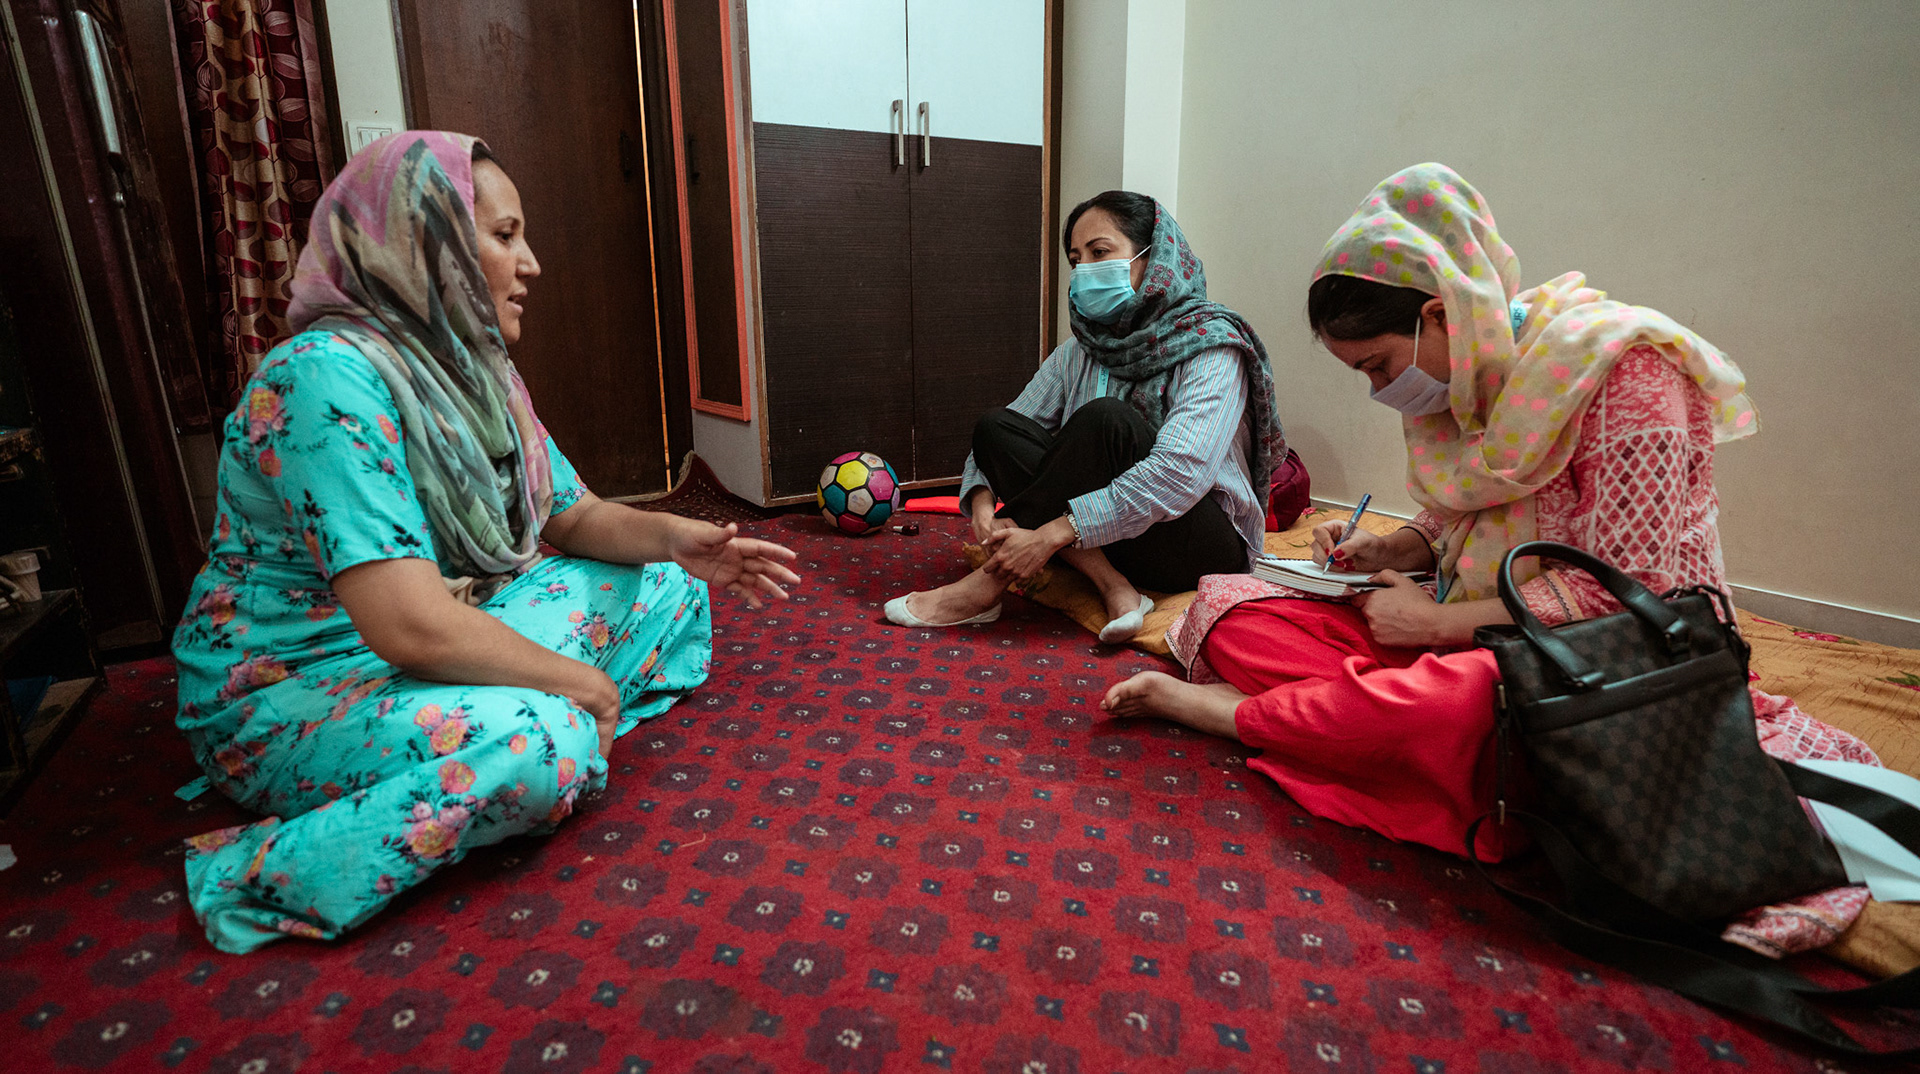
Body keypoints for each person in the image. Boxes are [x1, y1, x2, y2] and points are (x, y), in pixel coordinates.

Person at [1100, 163, 1877, 954]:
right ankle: (1370, 723)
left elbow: (1634, 593)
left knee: (1462, 704)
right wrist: (1396, 547)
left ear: (1441, 315)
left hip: (1603, 665)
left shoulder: (1623, 371)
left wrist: (1436, 626)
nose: (1379, 391)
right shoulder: (1479, 372)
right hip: (1471, 632)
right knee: (1235, 611)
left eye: (1377, 366)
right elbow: (1460, 514)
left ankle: (1237, 714)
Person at [170, 132, 800, 954]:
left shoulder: (476, 369)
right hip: (299, 684)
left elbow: (572, 517)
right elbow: (409, 625)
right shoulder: (323, 377)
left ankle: (510, 726)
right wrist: (584, 686)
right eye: (505, 236)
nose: (530, 263)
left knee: (663, 585)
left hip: (422, 637)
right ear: (419, 244)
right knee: (544, 742)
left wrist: (680, 538)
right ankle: (270, 870)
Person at [886, 191, 1287, 642]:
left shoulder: (1212, 345)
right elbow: (1013, 426)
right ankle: (1111, 582)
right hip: (1109, 540)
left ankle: (988, 583)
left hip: (1193, 545)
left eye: (1100, 253)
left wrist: (1049, 534)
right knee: (995, 428)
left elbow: (1181, 473)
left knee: (1105, 422)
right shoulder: (1080, 350)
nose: (1084, 271)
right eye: (1076, 260)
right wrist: (982, 507)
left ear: (1155, 256)